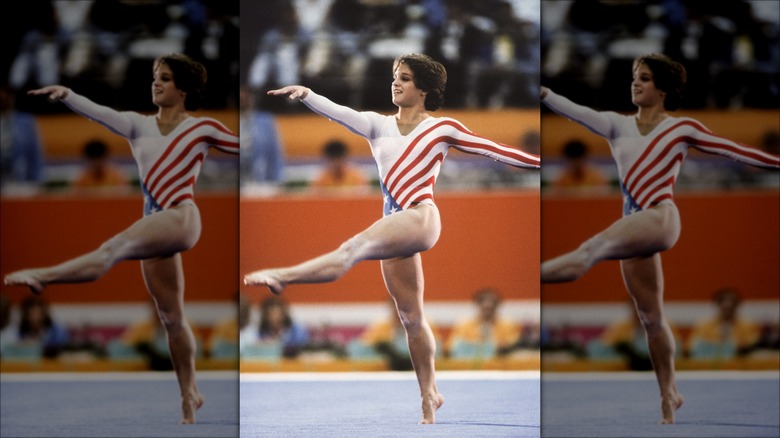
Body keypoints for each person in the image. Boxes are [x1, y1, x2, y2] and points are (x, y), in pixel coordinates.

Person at [244, 53, 540, 424]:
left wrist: (540, 165)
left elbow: (494, 151)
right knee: (411, 317)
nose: (395, 83)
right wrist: (307, 94)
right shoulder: (376, 126)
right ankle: (430, 392)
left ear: (425, 90)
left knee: (351, 250)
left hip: (420, 215)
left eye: (405, 78)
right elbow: (338, 112)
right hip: (394, 222)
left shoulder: (441, 128)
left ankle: (284, 276)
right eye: (394, 77)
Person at [539, 53, 779, 424]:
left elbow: (734, 150)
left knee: (588, 252)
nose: (636, 83)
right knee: (650, 316)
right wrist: (544, 94)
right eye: (635, 77)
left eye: (645, 78)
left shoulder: (682, 128)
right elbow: (573, 110)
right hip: (634, 223)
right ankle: (669, 392)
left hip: (660, 216)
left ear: (664, 89)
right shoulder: (616, 126)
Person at [3, 53, 239, 424]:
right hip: (154, 222)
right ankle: (190, 390)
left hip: (181, 216)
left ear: (184, 89)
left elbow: (246, 147)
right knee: (171, 317)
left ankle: (44, 276)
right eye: (154, 78)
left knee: (110, 251)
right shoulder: (135, 126)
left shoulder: (202, 128)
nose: (155, 84)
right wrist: (67, 95)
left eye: (164, 78)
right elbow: (98, 112)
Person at [446, 288, 521, 359]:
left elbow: (513, 346)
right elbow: (452, 347)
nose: (488, 308)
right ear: (478, 305)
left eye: (491, 307)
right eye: (485, 308)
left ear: (497, 305)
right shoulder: (464, 325)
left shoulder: (508, 325)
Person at [687, 288, 761, 360]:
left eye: (731, 306)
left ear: (737, 305)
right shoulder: (704, 325)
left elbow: (753, 345)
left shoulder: (747, 325)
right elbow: (692, 347)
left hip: (739, 364)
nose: (728, 307)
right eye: (725, 307)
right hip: (709, 363)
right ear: (717, 305)